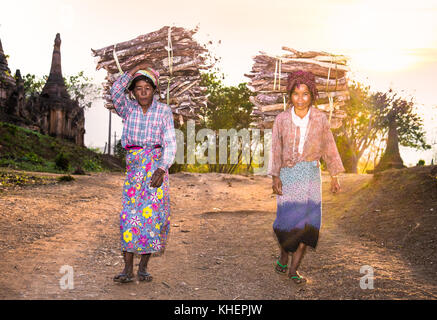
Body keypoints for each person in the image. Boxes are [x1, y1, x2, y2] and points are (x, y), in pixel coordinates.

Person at [269, 70, 345, 284]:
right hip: (289, 176)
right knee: (286, 224)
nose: (300, 99)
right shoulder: (281, 119)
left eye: (305, 94)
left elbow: (329, 146)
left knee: (308, 226)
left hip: (311, 176)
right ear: (289, 95)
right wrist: (275, 176)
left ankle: (293, 270)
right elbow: (275, 149)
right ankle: (284, 254)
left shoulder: (320, 118)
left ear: (312, 95)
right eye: (296, 94)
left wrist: (334, 176)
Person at [110, 61, 177, 283]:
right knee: (130, 217)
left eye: (147, 88)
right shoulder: (127, 109)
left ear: (154, 90)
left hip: (156, 170)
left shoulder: (164, 111)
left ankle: (144, 268)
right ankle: (127, 269)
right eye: (138, 88)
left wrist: (161, 168)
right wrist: (136, 67)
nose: (143, 92)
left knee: (152, 219)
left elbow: (170, 143)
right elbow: (115, 91)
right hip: (134, 170)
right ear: (133, 91)